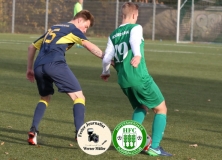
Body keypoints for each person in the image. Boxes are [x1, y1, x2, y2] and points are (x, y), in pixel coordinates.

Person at [100, 2, 172, 157]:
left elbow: (106, 58)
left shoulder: (113, 35)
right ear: (134, 15)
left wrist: (105, 72)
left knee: (141, 107)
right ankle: (155, 147)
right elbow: (134, 41)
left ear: (122, 15)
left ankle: (130, 142)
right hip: (139, 77)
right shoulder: (136, 27)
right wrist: (137, 55)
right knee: (161, 108)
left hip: (123, 80)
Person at [26, 10, 104, 145]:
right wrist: (108, 59)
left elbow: (31, 47)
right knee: (79, 97)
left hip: (39, 66)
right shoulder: (73, 29)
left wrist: (29, 69)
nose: (85, 30)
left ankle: (33, 130)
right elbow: (89, 46)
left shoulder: (54, 28)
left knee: (45, 97)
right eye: (85, 26)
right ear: (80, 20)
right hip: (55, 64)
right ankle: (80, 132)